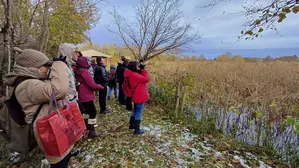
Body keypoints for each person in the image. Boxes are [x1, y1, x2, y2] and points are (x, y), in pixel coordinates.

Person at [3, 48, 73, 167]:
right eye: (45, 65)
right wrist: (59, 65)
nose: (48, 68)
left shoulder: (33, 81)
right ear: (32, 68)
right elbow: (59, 90)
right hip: (49, 133)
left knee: (64, 160)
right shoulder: (27, 85)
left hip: (53, 129)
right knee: (59, 163)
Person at [75, 56, 103, 138]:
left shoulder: (77, 71)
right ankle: (92, 131)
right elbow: (92, 84)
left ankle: (86, 126)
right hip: (86, 95)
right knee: (93, 112)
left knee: (86, 111)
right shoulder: (85, 72)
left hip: (80, 94)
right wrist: (99, 86)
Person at [124, 61, 150, 134]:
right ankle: (137, 129)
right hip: (139, 95)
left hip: (135, 94)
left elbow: (141, 78)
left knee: (135, 110)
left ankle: (131, 125)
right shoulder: (134, 75)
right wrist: (143, 70)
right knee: (138, 111)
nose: (139, 67)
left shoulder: (129, 73)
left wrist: (140, 69)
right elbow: (146, 79)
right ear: (133, 67)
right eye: (137, 66)